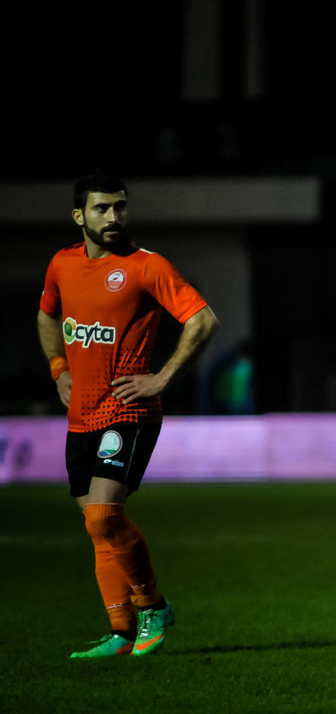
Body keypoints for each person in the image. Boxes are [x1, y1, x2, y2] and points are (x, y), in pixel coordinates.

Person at [37, 170, 219, 658]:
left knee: (102, 515)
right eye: (101, 208)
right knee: (98, 528)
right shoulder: (62, 264)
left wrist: (161, 378)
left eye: (120, 207)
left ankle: (152, 607)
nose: (113, 216)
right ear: (79, 216)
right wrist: (58, 369)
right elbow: (47, 314)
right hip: (81, 412)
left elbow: (203, 320)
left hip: (128, 409)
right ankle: (119, 633)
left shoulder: (145, 266)